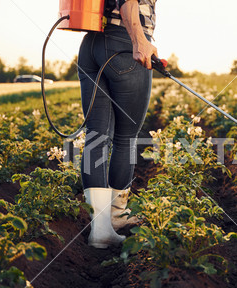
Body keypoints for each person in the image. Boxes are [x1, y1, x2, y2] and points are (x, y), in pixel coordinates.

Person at [77, 0, 157, 248]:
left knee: (96, 136)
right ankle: (117, 216)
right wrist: (139, 40)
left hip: (91, 46)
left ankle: (101, 228)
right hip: (123, 43)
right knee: (126, 138)